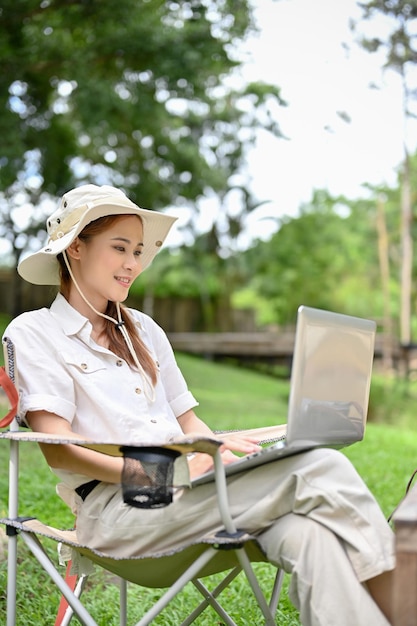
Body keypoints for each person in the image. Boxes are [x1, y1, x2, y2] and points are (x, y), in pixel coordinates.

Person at [4, 184, 395, 626]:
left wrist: (221, 453)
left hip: (186, 497)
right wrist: (165, 472)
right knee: (320, 467)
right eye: (119, 248)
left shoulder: (146, 331)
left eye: (137, 251)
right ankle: (405, 606)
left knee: (306, 536)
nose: (133, 264)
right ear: (76, 247)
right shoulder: (34, 332)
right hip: (118, 511)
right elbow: (58, 448)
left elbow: (189, 422)